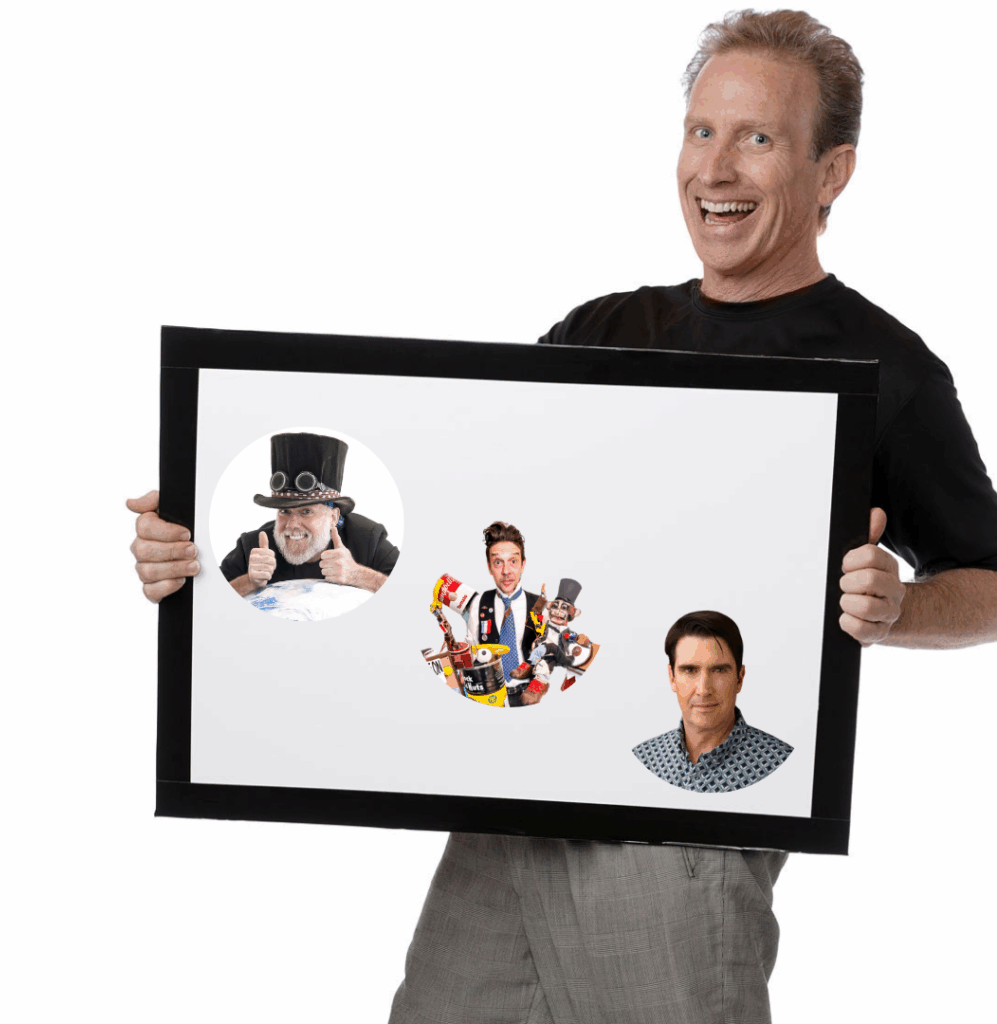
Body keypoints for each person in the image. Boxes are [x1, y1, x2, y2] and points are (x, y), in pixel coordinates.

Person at [129, 11, 997, 1021]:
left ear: (831, 171)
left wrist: (896, 608)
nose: (715, 166)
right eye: (700, 130)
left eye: (757, 137)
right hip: (516, 799)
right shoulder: (601, 329)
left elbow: (988, 582)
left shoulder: (886, 369)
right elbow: (459, 530)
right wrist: (200, 560)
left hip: (684, 826)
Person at [218, 432, 398, 596]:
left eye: (306, 511)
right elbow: (208, 598)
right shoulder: (253, 548)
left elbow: (412, 591)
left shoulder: (368, 540)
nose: (291, 525)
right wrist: (249, 581)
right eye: (284, 511)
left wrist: (358, 575)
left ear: (333, 517)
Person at [633, 610, 793, 792]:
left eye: (718, 670)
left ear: (739, 678)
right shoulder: (644, 758)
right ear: (672, 678)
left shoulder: (781, 762)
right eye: (690, 670)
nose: (703, 690)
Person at [460, 521, 540, 708]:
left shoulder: (540, 604)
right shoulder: (478, 603)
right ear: (489, 567)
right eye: (498, 562)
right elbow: (472, 650)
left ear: (523, 564)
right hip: (491, 696)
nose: (506, 571)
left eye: (513, 561)